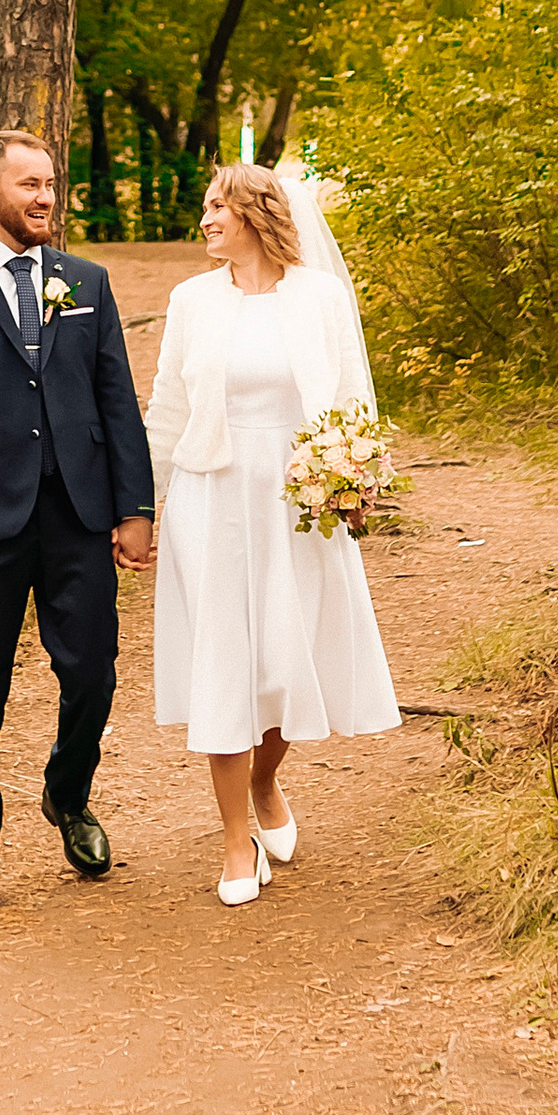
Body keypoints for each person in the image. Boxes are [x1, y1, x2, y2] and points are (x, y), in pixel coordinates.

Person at [0, 129, 157, 922]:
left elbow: (116, 399)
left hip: (79, 513)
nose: (45, 198)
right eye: (29, 186)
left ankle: (68, 795)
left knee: (93, 672)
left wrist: (135, 506)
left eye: (50, 184)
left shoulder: (86, 281)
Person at [145, 160, 400, 904]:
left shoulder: (319, 297)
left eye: (216, 207)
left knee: (290, 663)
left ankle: (265, 782)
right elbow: (167, 407)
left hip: (297, 502)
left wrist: (355, 482)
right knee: (224, 660)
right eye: (204, 208)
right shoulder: (191, 300)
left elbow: (351, 394)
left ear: (257, 214)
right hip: (212, 496)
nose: (205, 221)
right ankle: (234, 841)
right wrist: (142, 506)